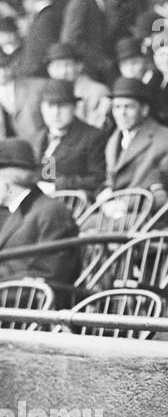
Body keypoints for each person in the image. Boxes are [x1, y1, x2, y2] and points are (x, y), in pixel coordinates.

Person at [0, 140, 80, 298]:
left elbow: (52, 275)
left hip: (30, 304)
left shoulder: (52, 212)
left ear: (8, 181)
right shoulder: (13, 211)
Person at [101, 76, 168, 207]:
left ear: (144, 110)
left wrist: (124, 205)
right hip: (112, 210)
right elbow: (109, 181)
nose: (121, 113)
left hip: (143, 214)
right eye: (117, 107)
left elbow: (162, 190)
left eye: (128, 107)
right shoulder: (114, 139)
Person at [32, 78, 106, 196]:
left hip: (73, 202)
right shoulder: (38, 138)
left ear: (74, 108)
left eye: (62, 106)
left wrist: (57, 186)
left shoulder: (92, 136)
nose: (56, 112)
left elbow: (97, 178)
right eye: (50, 106)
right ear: (42, 108)